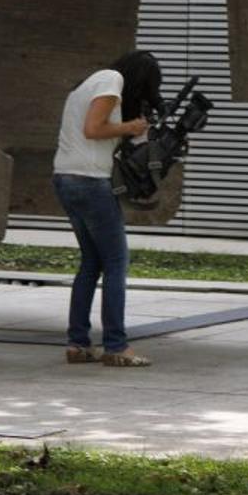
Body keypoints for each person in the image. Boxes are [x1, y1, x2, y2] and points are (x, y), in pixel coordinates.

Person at [52, 49, 163, 367]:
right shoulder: (112, 80)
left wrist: (136, 133)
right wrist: (129, 128)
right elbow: (93, 129)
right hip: (89, 182)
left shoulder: (91, 83)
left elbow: (96, 135)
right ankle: (116, 345)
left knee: (91, 262)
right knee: (116, 261)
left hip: (66, 178)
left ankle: (78, 343)